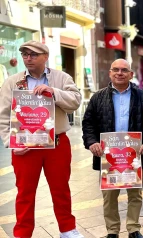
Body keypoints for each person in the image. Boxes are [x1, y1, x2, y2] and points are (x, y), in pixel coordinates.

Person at [0, 40, 83, 238]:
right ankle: (23, 232)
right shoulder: (13, 81)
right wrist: (10, 143)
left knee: (61, 189)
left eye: (33, 55)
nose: (28, 58)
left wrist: (54, 92)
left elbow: (76, 101)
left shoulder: (61, 77)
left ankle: (67, 229)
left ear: (45, 57)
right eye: (25, 54)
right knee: (24, 192)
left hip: (57, 143)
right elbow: (3, 115)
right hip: (24, 145)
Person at [82, 59, 143, 238]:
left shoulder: (142, 97)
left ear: (131, 74)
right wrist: (92, 142)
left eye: (124, 70)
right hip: (108, 156)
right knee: (109, 196)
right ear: (110, 73)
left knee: (135, 194)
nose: (119, 73)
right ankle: (113, 230)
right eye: (115, 69)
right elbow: (88, 123)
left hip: (134, 154)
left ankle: (133, 228)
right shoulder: (98, 97)